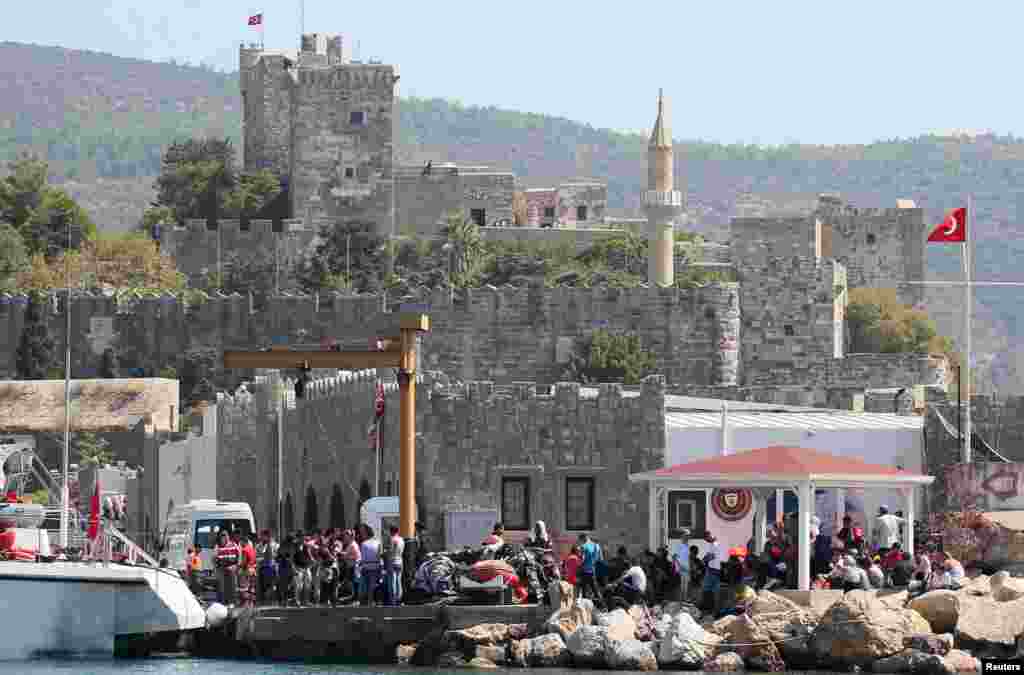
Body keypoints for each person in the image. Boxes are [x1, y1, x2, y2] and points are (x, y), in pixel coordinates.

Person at [213, 530, 240, 606]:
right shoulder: (218, 546)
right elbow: (214, 559)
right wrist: (216, 569)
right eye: (222, 536)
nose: (224, 537)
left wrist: (236, 566)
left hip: (231, 569)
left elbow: (239, 556)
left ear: (228, 536)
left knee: (232, 587)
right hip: (222, 569)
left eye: (225, 535)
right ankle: (224, 603)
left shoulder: (234, 545)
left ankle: (232, 603)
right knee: (222, 588)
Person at [358, 523, 382, 606]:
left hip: (366, 567)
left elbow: (362, 557)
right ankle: (372, 602)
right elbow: (379, 556)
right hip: (375, 567)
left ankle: (366, 602)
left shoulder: (363, 544)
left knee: (365, 587)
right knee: (373, 587)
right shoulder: (378, 543)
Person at [577, 533, 604, 608]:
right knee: (595, 590)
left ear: (582, 539)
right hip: (593, 571)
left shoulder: (583, 547)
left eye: (580, 540)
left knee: (584, 591)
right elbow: (600, 559)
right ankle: (602, 606)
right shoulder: (596, 546)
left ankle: (584, 608)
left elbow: (581, 560)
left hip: (584, 571)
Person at [700, 531, 722, 615]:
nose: (706, 541)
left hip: (715, 571)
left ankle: (712, 610)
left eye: (706, 539)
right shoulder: (711, 545)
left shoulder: (716, 545)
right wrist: (704, 559)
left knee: (710, 591)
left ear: (709, 536)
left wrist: (704, 560)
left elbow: (712, 556)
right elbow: (708, 554)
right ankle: (709, 609)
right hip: (711, 570)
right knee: (708, 590)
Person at [256, 530, 279, 605]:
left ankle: (272, 600)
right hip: (262, 568)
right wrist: (260, 559)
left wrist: (274, 561)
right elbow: (256, 556)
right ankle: (264, 600)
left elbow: (277, 556)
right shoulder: (259, 546)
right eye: (261, 536)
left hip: (272, 568)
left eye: (263, 536)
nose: (261, 537)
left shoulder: (275, 545)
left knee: (272, 585)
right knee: (263, 585)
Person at [385, 526, 405, 606]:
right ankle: (399, 599)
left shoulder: (392, 539)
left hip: (392, 561)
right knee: (399, 581)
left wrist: (384, 553)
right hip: (400, 561)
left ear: (391, 532)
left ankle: (393, 600)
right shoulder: (401, 540)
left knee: (392, 581)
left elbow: (390, 551)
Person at [292, 534, 312, 607]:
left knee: (307, 585)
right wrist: (294, 568)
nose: (303, 540)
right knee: (298, 586)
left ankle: (306, 601)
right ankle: (297, 601)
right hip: (298, 568)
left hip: (306, 567)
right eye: (301, 538)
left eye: (303, 538)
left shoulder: (305, 546)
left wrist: (311, 562)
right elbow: (291, 558)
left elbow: (309, 556)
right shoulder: (294, 546)